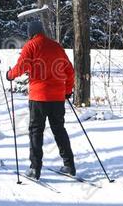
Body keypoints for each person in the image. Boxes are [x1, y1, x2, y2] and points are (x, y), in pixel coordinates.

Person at [6, 20, 76, 180]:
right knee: (59, 129)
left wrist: (10, 75)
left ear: (31, 33)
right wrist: (67, 91)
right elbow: (69, 70)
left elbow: (21, 66)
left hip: (39, 97)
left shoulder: (30, 46)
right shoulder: (56, 46)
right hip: (57, 97)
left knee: (36, 131)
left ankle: (35, 168)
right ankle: (69, 164)